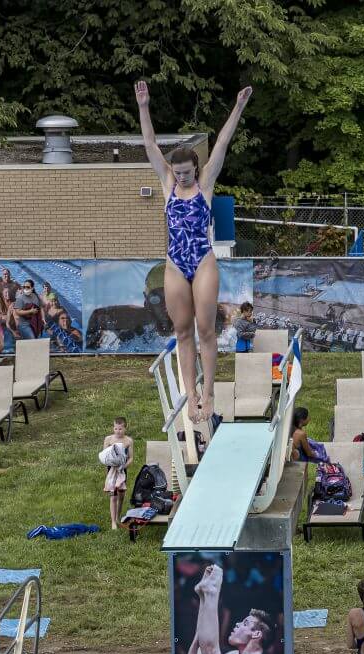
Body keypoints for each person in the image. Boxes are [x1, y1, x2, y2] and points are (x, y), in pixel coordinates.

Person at [137, 79, 253, 423]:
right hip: (175, 263)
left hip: (202, 260)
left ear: (196, 169)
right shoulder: (168, 184)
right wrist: (143, 107)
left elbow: (222, 142)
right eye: (178, 172)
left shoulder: (204, 185)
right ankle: (190, 396)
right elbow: (149, 145)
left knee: (206, 329)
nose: (183, 177)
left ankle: (209, 391)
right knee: (183, 331)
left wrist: (238, 107)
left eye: (187, 172)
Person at [103, 417, 133, 530]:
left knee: (121, 495)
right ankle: (113, 522)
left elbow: (131, 458)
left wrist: (124, 466)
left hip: (122, 470)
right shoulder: (108, 439)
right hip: (111, 470)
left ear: (125, 428)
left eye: (120, 429)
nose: (117, 431)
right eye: (115, 428)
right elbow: (104, 455)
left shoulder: (128, 441)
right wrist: (111, 461)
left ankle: (118, 516)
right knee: (113, 495)